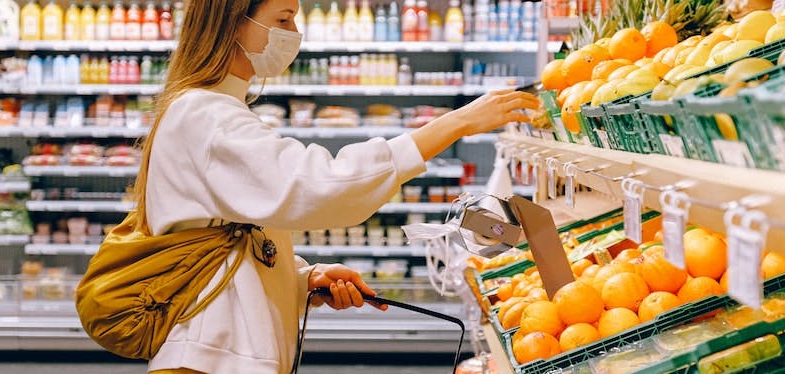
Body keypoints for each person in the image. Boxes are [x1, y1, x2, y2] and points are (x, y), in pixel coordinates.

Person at [137, 0, 538, 372]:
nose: (294, 33)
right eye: (282, 19)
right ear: (233, 22)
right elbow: (318, 185)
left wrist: (301, 280)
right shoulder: (205, 116)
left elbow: (227, 243)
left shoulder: (214, 109)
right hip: (211, 357)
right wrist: (456, 123)